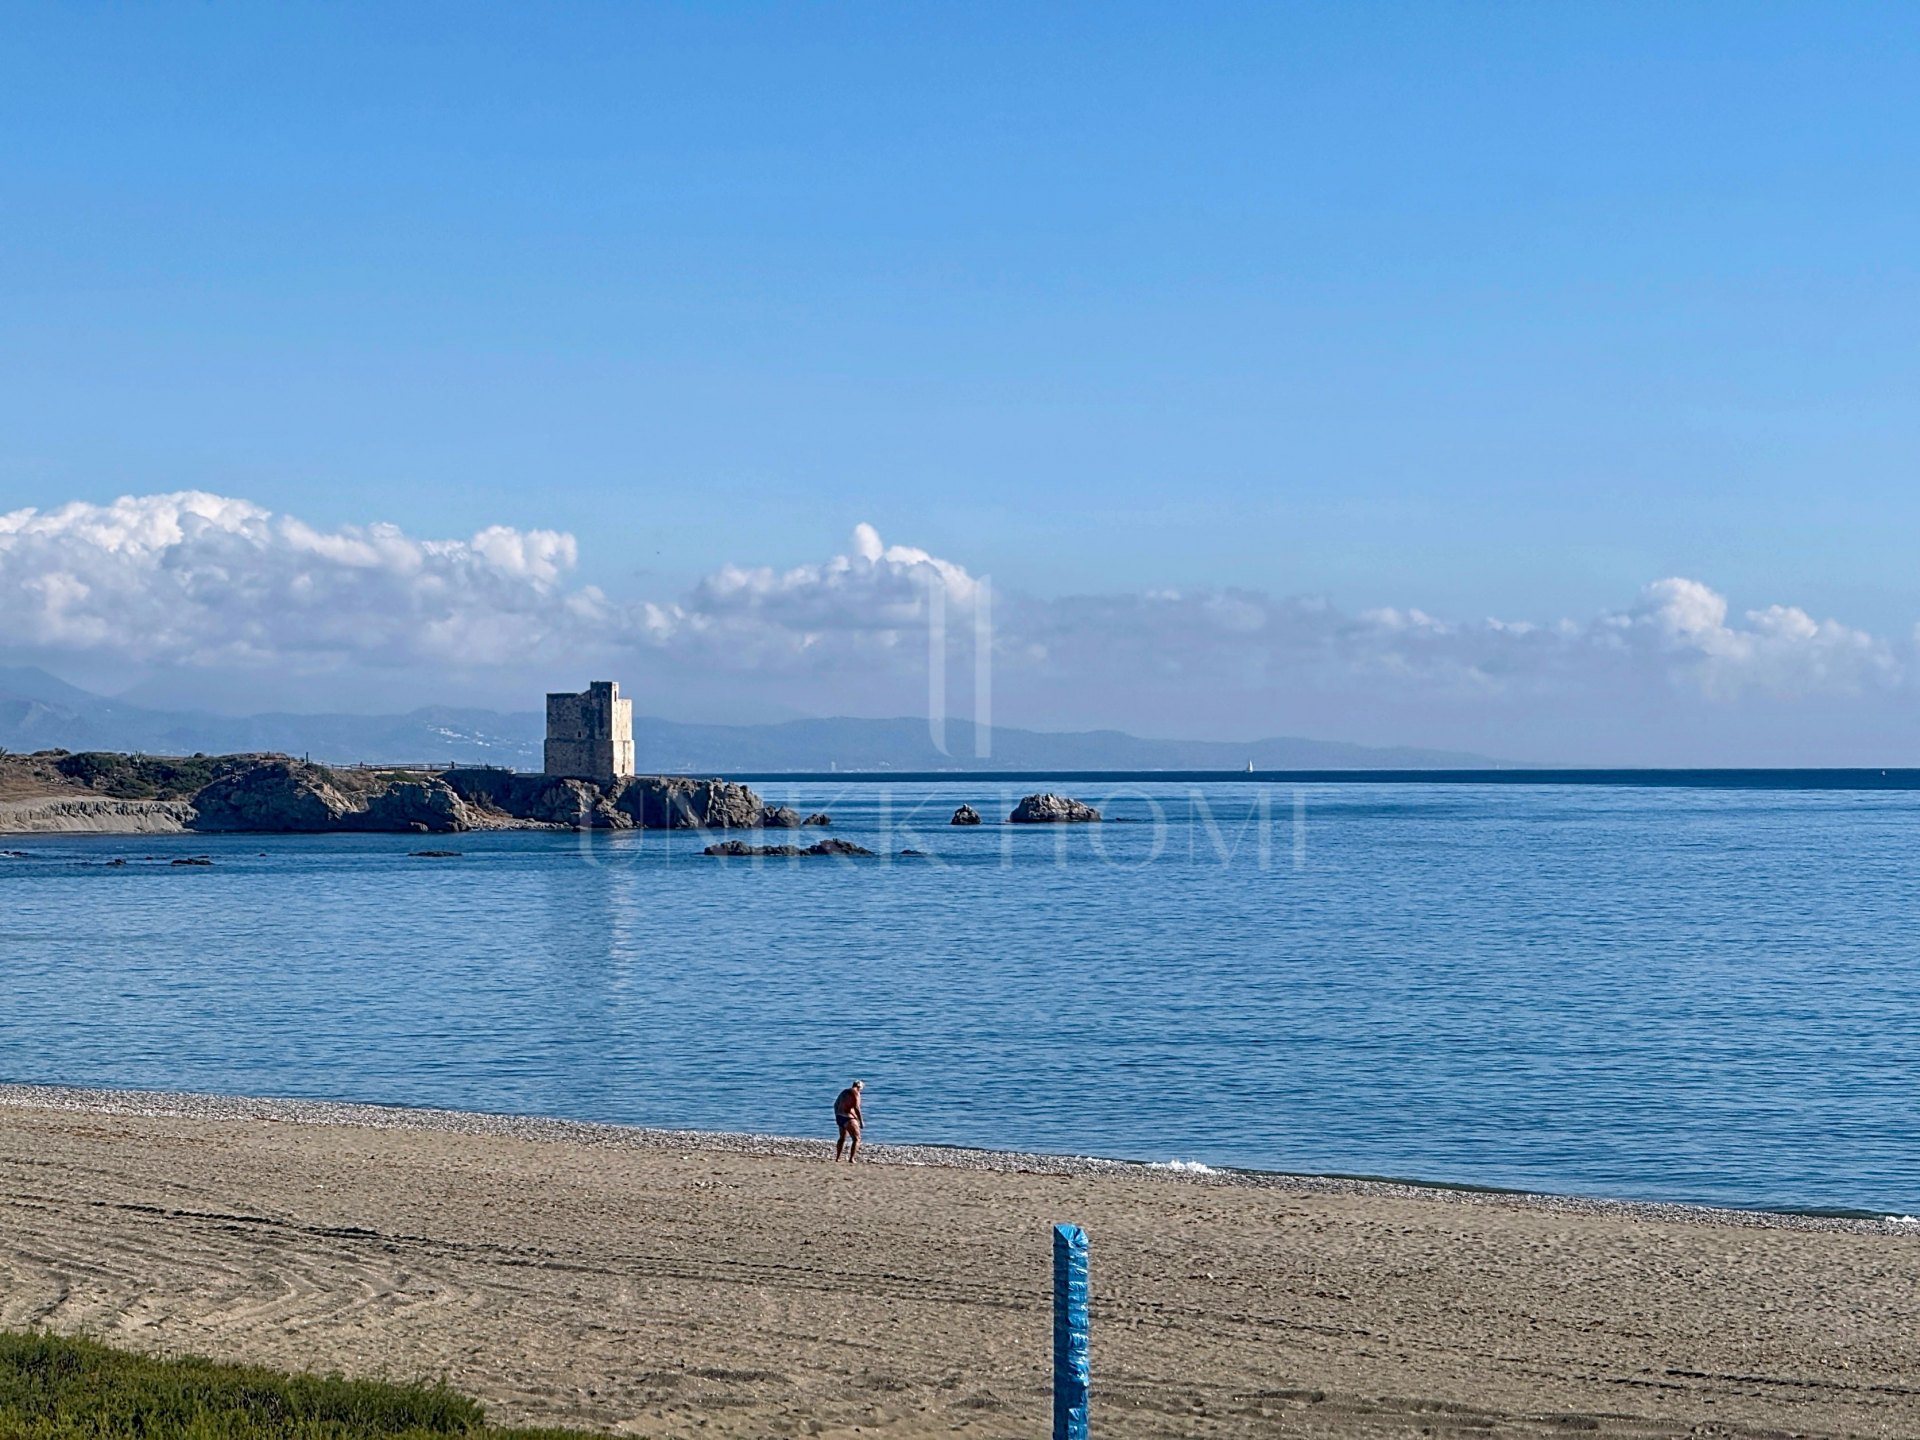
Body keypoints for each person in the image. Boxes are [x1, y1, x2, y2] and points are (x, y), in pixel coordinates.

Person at [833, 1079, 864, 1162]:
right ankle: (852, 1158)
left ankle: (838, 1158)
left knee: (842, 1138)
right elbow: (857, 1108)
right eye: (861, 1088)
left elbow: (835, 1104)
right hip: (848, 1118)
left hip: (840, 1117)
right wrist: (861, 1121)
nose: (861, 1090)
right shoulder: (855, 1092)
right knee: (857, 1138)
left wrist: (837, 1115)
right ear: (859, 1087)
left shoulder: (844, 1092)